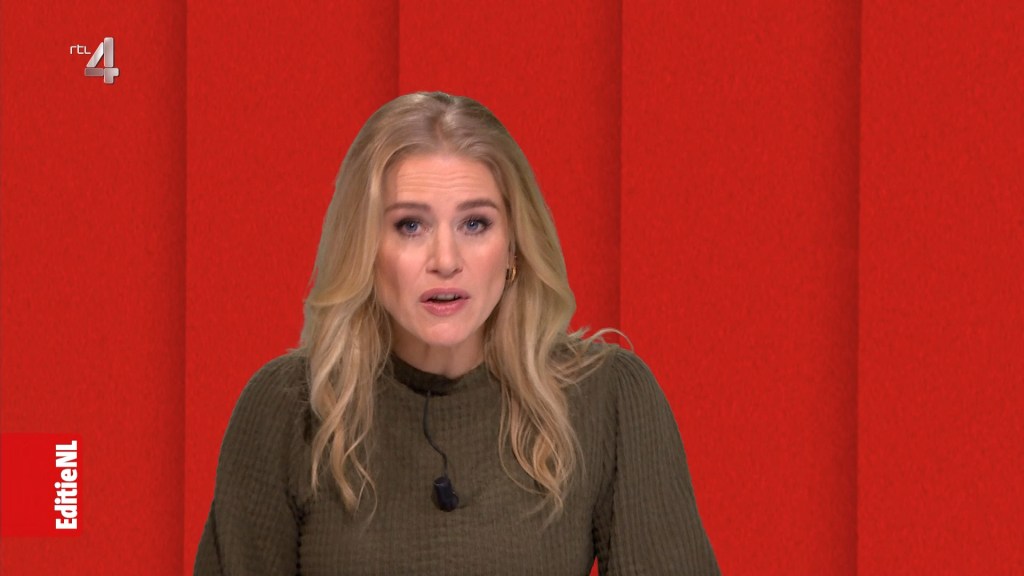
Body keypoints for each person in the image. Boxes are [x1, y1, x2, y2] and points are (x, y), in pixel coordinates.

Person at [194, 92, 719, 575]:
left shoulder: (608, 398)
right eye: (410, 225)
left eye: (475, 224)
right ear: (366, 249)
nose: (445, 260)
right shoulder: (287, 408)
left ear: (513, 247)